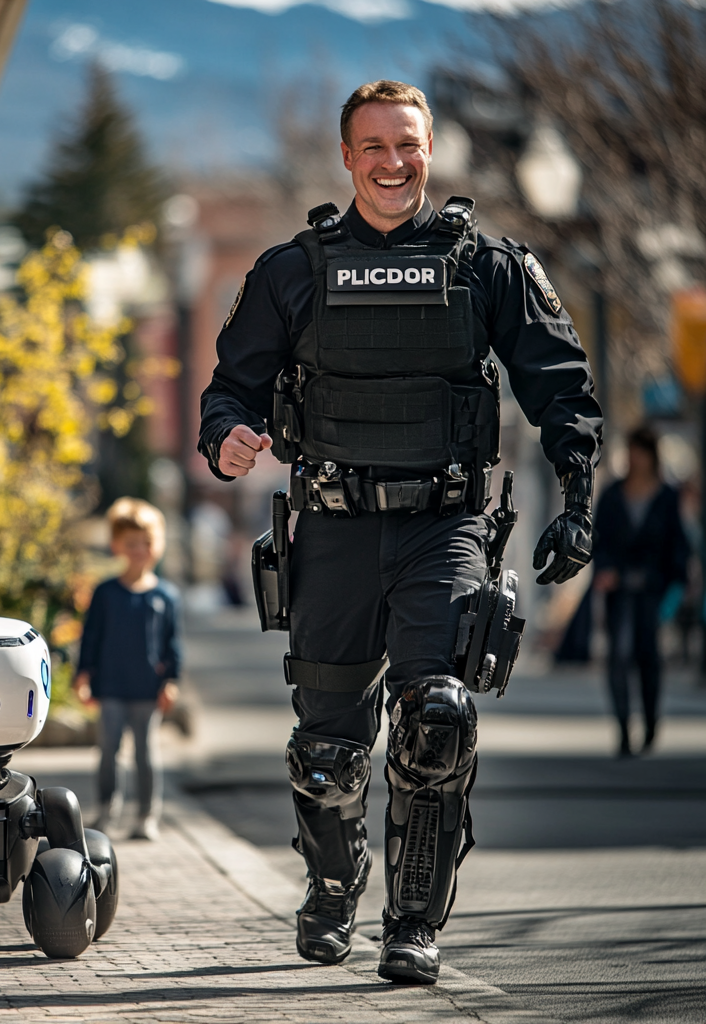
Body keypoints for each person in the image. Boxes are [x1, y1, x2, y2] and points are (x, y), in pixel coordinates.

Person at [198, 80, 602, 983]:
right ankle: (335, 888)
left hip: (443, 527)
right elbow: (230, 389)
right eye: (374, 146)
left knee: (437, 724)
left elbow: (559, 383)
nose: (393, 162)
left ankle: (412, 924)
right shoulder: (291, 271)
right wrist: (226, 436)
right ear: (346, 157)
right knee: (329, 751)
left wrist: (578, 498)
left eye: (408, 144)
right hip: (333, 530)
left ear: (430, 150)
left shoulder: (484, 266)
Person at [73, 498, 181, 841]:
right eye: (131, 543)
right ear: (116, 545)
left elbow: (172, 644)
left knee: (147, 755)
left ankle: (147, 815)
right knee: (109, 751)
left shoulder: (166, 596)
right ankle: (106, 810)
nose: (140, 550)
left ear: (158, 545)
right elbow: (90, 637)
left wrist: (171, 681)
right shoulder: (105, 594)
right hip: (111, 686)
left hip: (147, 689)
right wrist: (83, 675)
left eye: (147, 543)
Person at [593, 426, 689, 757]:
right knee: (617, 658)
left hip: (651, 591)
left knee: (649, 658)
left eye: (640, 452)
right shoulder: (612, 494)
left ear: (651, 456)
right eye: (631, 451)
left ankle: (650, 724)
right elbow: (598, 541)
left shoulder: (666, 497)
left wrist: (675, 583)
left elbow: (677, 545)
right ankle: (623, 728)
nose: (634, 459)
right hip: (619, 590)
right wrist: (604, 571)